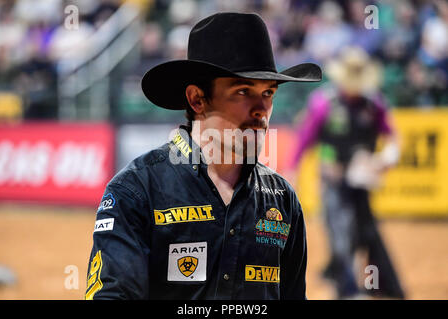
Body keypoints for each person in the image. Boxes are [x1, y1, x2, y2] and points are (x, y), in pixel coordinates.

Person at [85, 12, 321, 300]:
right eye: (243, 91)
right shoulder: (137, 190)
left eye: (268, 93)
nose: (261, 109)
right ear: (197, 99)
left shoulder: (281, 198)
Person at [288, 47, 405, 299]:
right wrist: (293, 171)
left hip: (361, 182)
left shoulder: (374, 104)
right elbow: (304, 140)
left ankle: (375, 283)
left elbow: (393, 137)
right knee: (340, 231)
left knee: (366, 232)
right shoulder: (324, 104)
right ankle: (348, 290)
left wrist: (385, 158)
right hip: (333, 181)